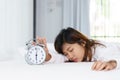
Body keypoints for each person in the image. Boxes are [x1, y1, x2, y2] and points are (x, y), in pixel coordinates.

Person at [37, 27, 120, 71]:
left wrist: (111, 63)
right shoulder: (73, 56)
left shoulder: (99, 49)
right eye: (66, 53)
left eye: (71, 50)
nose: (70, 56)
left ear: (82, 43)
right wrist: (46, 55)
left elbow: (115, 57)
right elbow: (59, 58)